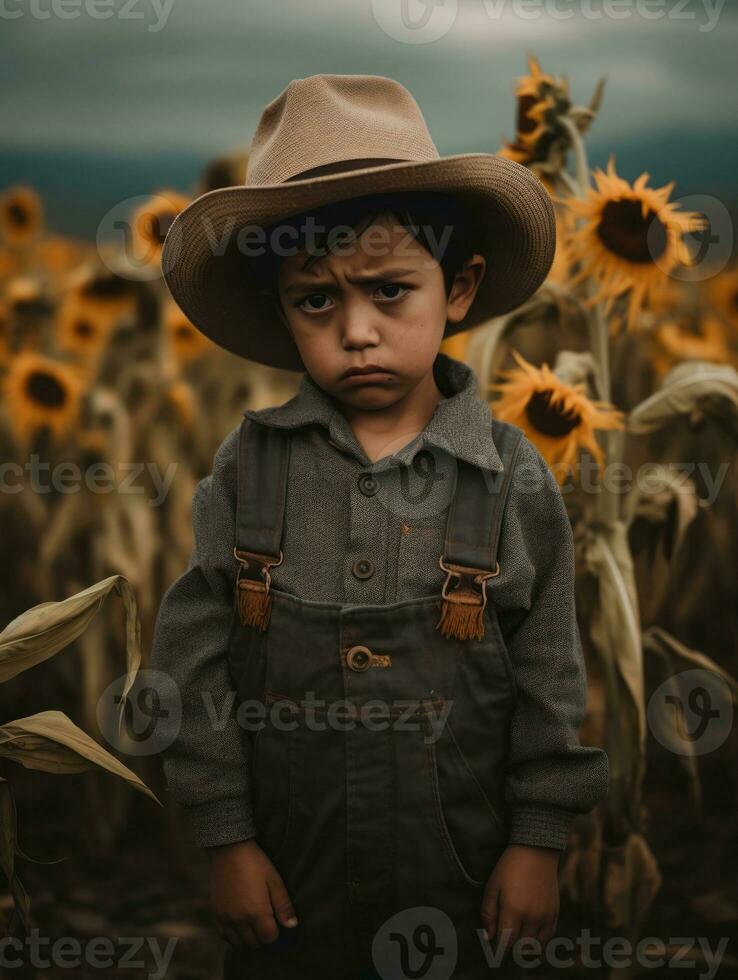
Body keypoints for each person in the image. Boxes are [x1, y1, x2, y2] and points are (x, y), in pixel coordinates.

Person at [151, 73, 609, 980]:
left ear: (461, 288)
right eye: (316, 301)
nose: (356, 331)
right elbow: (190, 666)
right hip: (290, 893)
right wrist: (224, 839)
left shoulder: (512, 476)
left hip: (469, 887)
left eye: (390, 291)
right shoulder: (247, 473)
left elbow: (552, 674)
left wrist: (541, 841)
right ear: (282, 314)